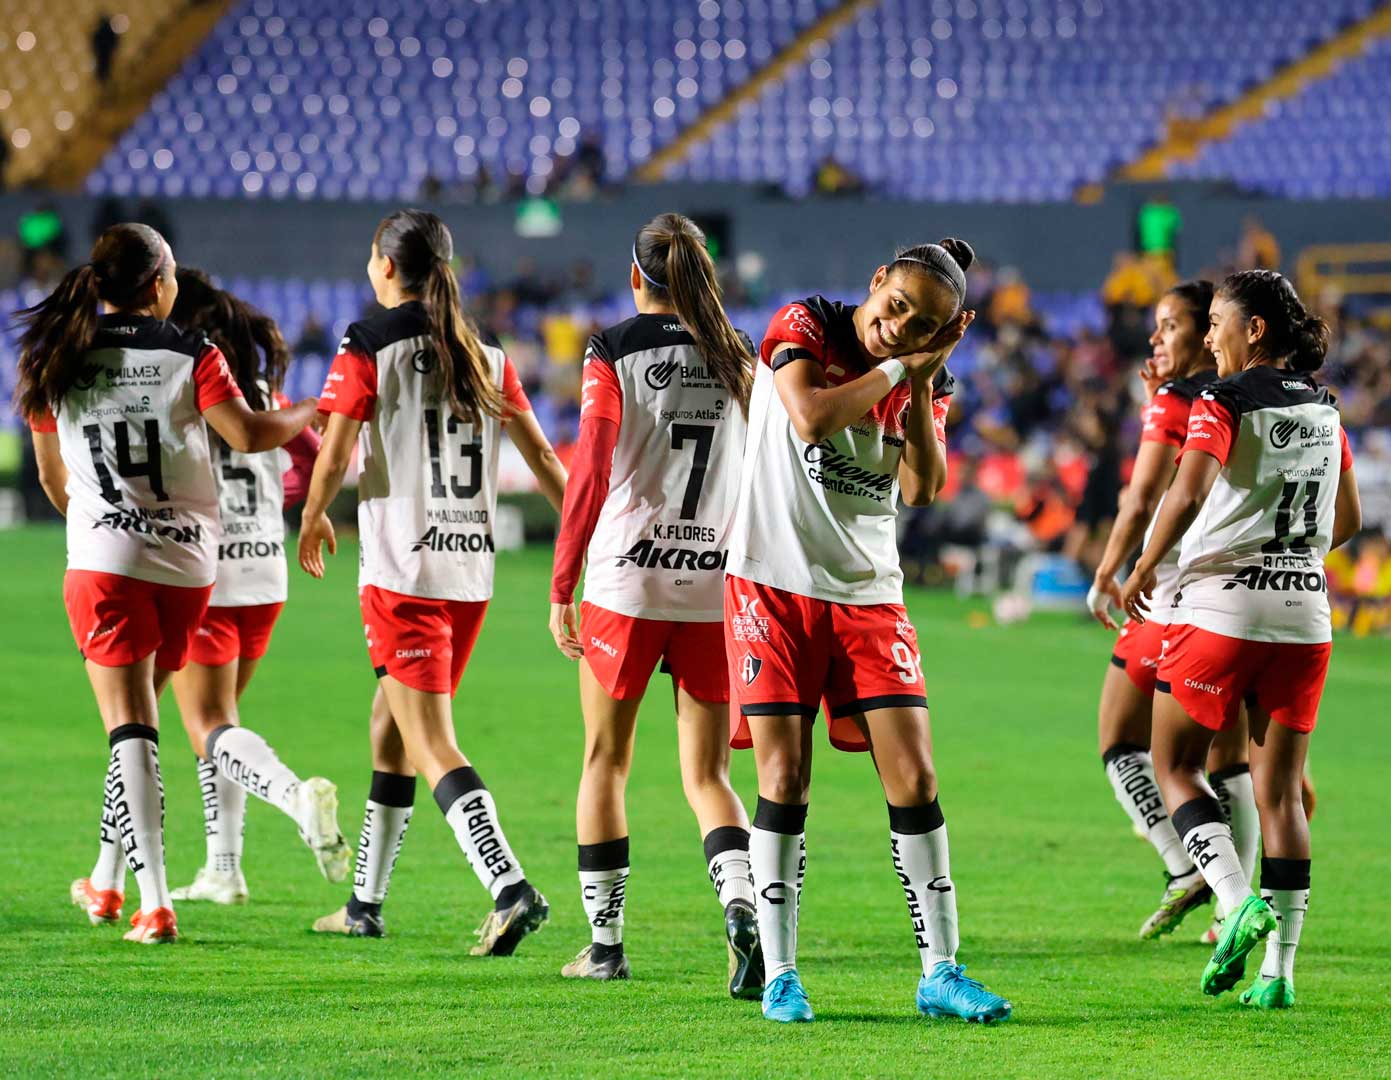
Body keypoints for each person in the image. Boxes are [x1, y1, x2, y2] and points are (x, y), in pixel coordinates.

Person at [726, 237, 1013, 1024]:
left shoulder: (925, 376)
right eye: (895, 308)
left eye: (921, 326)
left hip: (868, 595)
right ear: (875, 279)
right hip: (771, 583)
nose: (898, 327)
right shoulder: (806, 325)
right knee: (784, 780)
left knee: (916, 779)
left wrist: (921, 386)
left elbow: (922, 487)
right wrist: (896, 370)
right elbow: (812, 418)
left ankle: (941, 972)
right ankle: (782, 974)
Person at [19, 224, 320, 944]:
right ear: (159, 284)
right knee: (144, 728)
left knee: (131, 731)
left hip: (107, 562)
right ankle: (105, 879)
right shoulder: (192, 353)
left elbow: (50, 477)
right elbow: (247, 436)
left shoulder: (54, 353)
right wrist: (322, 408)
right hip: (189, 567)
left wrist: (99, 523)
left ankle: (153, 901)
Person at [299, 209, 567, 951]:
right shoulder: (487, 353)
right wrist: (586, 527)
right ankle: (363, 903)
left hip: (403, 570)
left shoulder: (368, 342)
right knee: (390, 732)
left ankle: (510, 887)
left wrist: (315, 513)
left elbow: (335, 445)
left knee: (430, 741)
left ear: (386, 266)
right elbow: (544, 459)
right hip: (470, 571)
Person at [1123, 269, 1361, 1009]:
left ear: (1254, 329)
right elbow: (1346, 521)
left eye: (1220, 320)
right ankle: (1279, 976)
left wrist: (1145, 565)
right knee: (1281, 795)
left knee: (1173, 765)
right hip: (1305, 619)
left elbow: (1186, 492)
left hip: (1219, 613)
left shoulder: (1221, 399)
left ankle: (1234, 897)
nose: (1212, 333)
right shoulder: (1326, 408)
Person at [546, 213, 761, 991]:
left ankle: (604, 948)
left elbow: (592, 469)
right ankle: (742, 911)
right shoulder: (743, 356)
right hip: (713, 586)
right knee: (709, 775)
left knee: (606, 760)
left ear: (635, 277)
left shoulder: (612, 351)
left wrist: (561, 580)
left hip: (625, 584)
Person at [157, 268, 347, 906]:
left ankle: (297, 799)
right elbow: (314, 460)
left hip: (206, 573)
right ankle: (223, 868)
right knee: (225, 728)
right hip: (266, 573)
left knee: (206, 724)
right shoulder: (266, 395)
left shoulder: (184, 383)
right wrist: (286, 504)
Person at [1085, 281, 1262, 942]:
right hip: (1239, 599)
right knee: (1228, 756)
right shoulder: (1249, 398)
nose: (1156, 339)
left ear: (1205, 332)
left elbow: (1143, 499)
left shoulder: (1175, 400)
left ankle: (1191, 870)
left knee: (1123, 743)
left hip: (1165, 598)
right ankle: (1226, 907)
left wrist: (1108, 569)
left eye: (1170, 326)